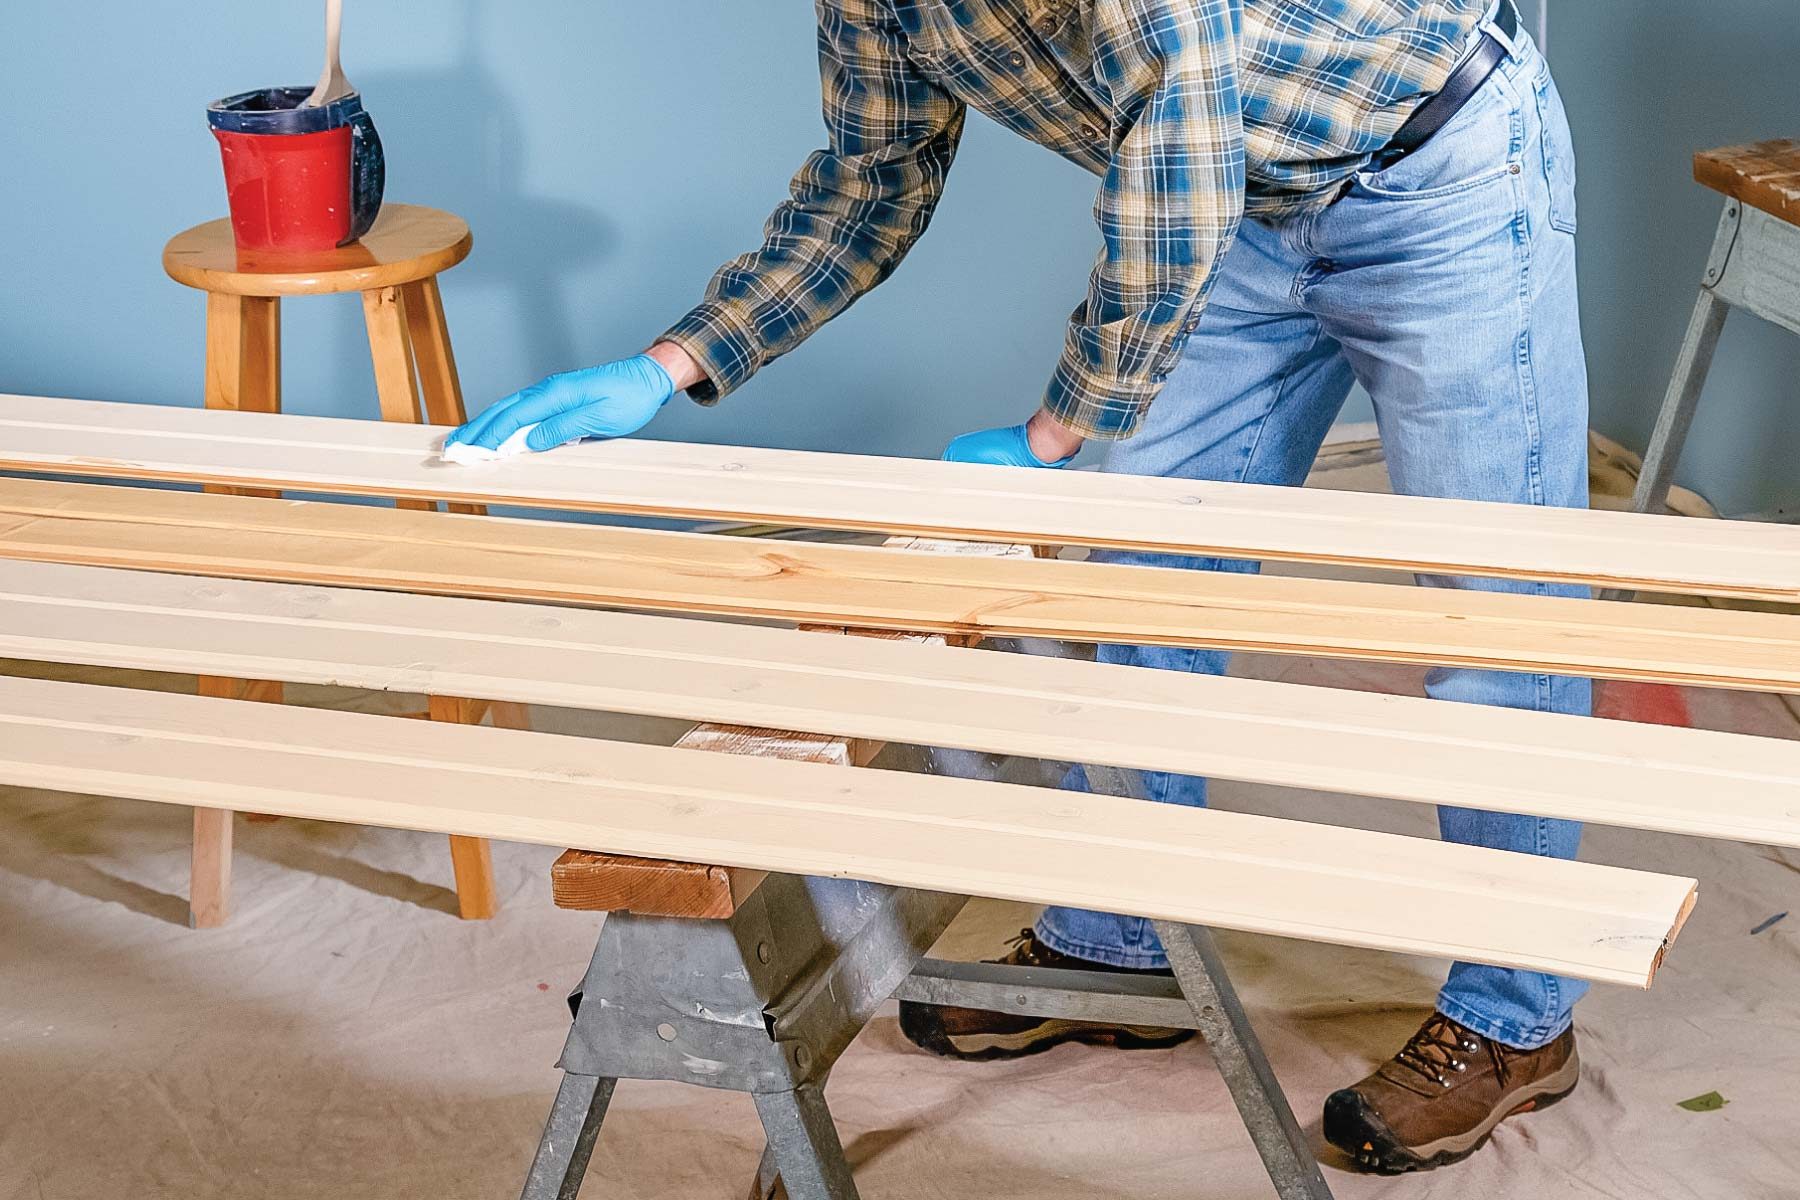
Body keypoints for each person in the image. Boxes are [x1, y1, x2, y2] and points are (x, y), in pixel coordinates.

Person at [450, 0, 1589, 1173]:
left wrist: (1051, 437)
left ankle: (1517, 1019)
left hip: (1437, 172)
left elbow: (1174, 186)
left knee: (1498, 615)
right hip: (1246, 205)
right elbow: (869, 185)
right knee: (1142, 577)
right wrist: (669, 362)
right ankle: (1120, 931)